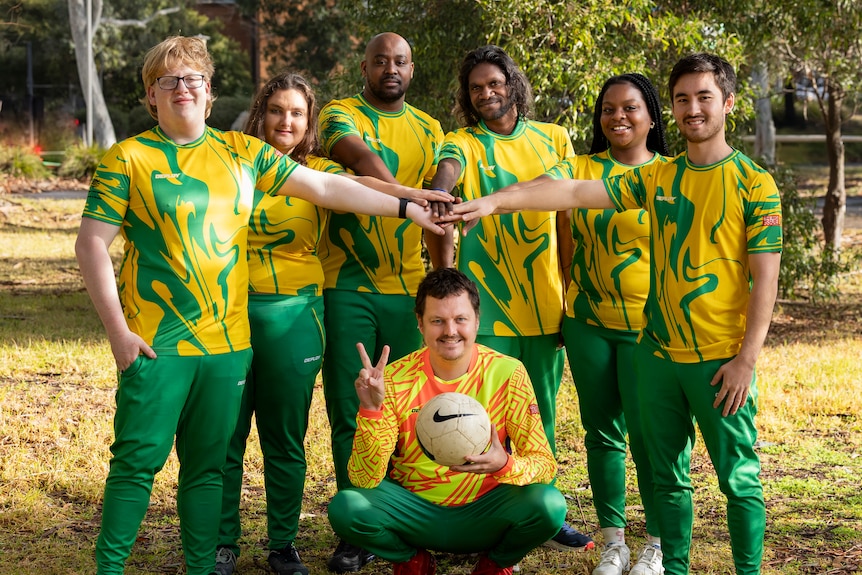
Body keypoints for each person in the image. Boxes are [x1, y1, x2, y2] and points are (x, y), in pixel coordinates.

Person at [75, 36, 445, 575]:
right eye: (168, 81)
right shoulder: (128, 157)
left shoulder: (239, 151)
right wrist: (117, 333)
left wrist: (409, 207)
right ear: (151, 97)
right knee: (136, 463)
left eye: (193, 79)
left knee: (205, 468)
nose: (183, 88)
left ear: (209, 92)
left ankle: (206, 566)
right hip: (158, 341)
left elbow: (326, 187)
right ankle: (108, 569)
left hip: (230, 343)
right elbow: (90, 244)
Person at [447, 53, 783, 575]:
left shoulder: (754, 183)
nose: (692, 109)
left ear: (729, 103)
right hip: (655, 353)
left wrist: (747, 359)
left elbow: (766, 277)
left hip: (719, 359)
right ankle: (669, 564)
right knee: (665, 473)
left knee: (738, 478)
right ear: (671, 107)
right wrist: (491, 203)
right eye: (683, 99)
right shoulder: (658, 177)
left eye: (704, 97)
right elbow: (575, 190)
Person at [424, 45, 591, 552]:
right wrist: (441, 192)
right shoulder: (461, 141)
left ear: (513, 84)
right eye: (476, 88)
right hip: (484, 311)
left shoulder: (554, 138)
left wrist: (567, 298)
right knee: (478, 416)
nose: (486, 93)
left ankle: (545, 509)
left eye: (494, 83)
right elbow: (447, 172)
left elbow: (564, 213)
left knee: (538, 414)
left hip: (542, 305)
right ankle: (479, 514)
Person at [328, 267, 567, 575]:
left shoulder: (508, 372)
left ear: (477, 321)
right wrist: (371, 410)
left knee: (550, 505)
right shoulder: (395, 379)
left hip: (486, 509)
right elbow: (364, 478)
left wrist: (504, 465)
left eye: (460, 319)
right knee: (347, 507)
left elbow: (544, 465)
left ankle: (495, 563)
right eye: (437, 320)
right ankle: (412, 560)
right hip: (415, 512)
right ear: (420, 324)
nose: (450, 330)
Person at [317, 31, 446, 572]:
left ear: (412, 70)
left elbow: (442, 206)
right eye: (380, 61)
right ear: (363, 66)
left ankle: (406, 515)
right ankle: (359, 524)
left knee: (409, 409)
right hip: (347, 285)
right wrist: (409, 195)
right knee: (352, 406)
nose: (390, 69)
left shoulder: (431, 128)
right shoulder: (338, 113)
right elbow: (362, 159)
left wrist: (443, 278)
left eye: (400, 61)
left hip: (407, 287)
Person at [545, 74, 669, 575]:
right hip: (586, 322)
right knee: (602, 435)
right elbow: (565, 242)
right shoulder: (581, 169)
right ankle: (613, 542)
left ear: (652, 117)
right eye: (608, 109)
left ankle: (658, 543)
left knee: (651, 435)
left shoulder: (671, 174)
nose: (618, 117)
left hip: (649, 326)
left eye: (630, 108)